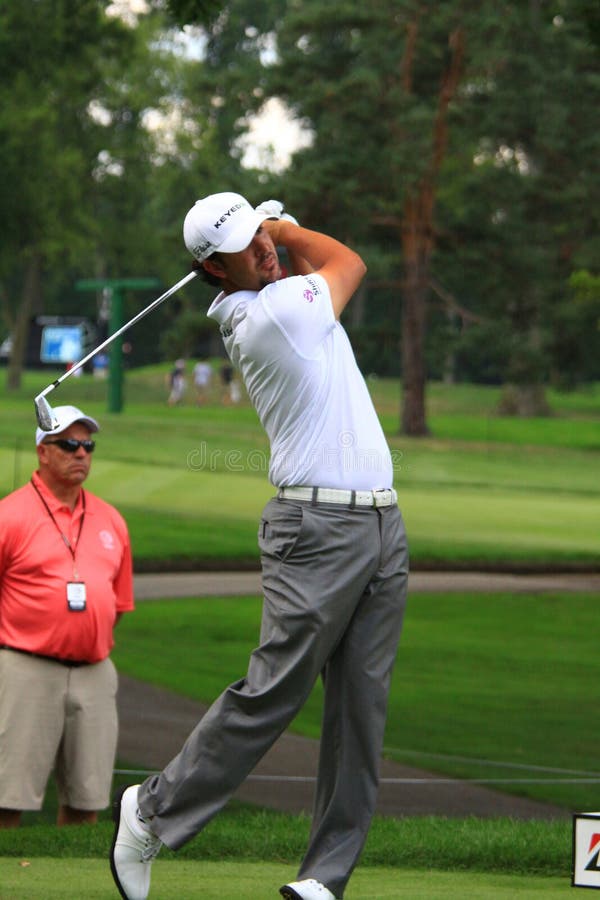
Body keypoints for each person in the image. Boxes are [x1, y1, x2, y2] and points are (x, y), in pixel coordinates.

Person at [110, 193, 409, 900]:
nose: (263, 250)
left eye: (260, 239)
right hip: (316, 531)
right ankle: (150, 810)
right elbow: (347, 261)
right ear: (213, 270)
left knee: (361, 712)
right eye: (246, 246)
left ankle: (324, 878)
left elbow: (309, 271)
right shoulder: (271, 314)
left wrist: (273, 238)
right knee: (273, 690)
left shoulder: (283, 294)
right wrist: (284, 225)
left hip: (381, 524)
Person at [0, 405, 135, 828]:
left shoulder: (110, 519)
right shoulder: (10, 515)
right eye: (69, 445)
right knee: (7, 797)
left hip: (95, 671)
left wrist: (82, 634)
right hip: (25, 666)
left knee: (86, 800)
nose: (81, 454)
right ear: (43, 451)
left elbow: (118, 604)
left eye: (88, 445)